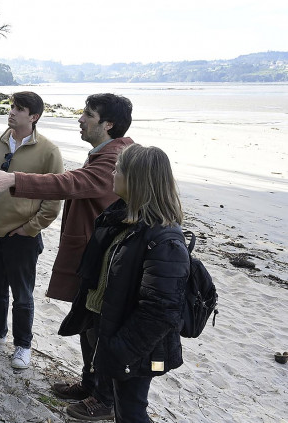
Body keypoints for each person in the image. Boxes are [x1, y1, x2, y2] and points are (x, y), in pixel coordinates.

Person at [0, 93, 133, 420]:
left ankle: (104, 398)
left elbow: (70, 183)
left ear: (108, 124)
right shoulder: (103, 153)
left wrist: (15, 180)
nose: (80, 118)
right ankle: (90, 384)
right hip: (94, 257)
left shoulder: (116, 156)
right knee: (90, 322)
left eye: (88, 114)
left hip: (109, 261)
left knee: (101, 326)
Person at [58, 144, 189, 422]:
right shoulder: (124, 219)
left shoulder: (164, 240)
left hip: (136, 346)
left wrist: (119, 352)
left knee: (131, 410)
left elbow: (161, 310)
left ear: (137, 180)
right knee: (124, 405)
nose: (113, 173)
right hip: (112, 329)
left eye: (119, 169)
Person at [0, 91, 64, 369]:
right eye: (12, 106)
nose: (11, 112)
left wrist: (30, 228)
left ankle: (23, 345)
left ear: (33, 117)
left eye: (19, 108)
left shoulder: (49, 151)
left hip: (22, 236)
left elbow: (54, 198)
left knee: (22, 295)